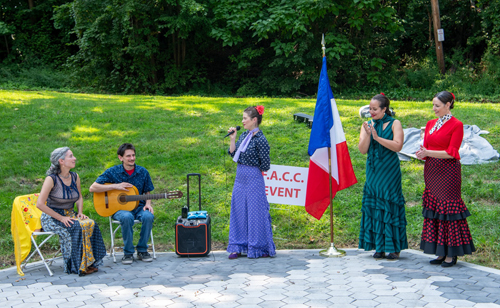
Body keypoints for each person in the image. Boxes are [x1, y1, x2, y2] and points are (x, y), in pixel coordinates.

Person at [416, 91, 475, 267]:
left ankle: (452, 254)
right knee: (435, 210)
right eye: (433, 105)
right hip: (431, 170)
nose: (434, 109)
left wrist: (428, 153)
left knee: (448, 210)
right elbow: (427, 147)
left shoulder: (457, 125)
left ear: (448, 105)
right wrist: (422, 154)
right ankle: (440, 252)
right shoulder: (430, 124)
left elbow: (452, 152)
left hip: (448, 172)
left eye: (437, 106)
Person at [37, 147, 106, 276]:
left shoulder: (75, 176)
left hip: (70, 214)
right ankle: (75, 266)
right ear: (61, 161)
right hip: (52, 217)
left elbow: (79, 196)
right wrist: (61, 218)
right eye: (71, 156)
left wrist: (79, 212)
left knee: (90, 223)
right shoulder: (51, 179)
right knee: (76, 227)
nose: (74, 158)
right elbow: (40, 204)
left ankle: (89, 263)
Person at [358, 94, 408, 260]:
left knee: (389, 204)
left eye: (375, 109)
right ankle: (378, 246)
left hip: (389, 170)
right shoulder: (367, 124)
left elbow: (397, 146)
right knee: (375, 206)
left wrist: (377, 138)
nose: (371, 112)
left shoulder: (395, 123)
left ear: (384, 109)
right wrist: (367, 134)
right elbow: (362, 150)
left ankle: (394, 247)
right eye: (370, 109)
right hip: (373, 170)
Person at [89, 143, 155, 265]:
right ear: (121, 158)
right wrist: (117, 186)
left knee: (148, 216)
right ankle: (128, 252)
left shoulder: (143, 172)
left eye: (133, 155)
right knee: (126, 217)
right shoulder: (112, 172)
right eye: (128, 156)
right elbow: (93, 188)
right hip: (119, 209)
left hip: (139, 207)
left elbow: (147, 191)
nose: (132, 158)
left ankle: (142, 250)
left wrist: (148, 203)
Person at [226, 105, 276, 259]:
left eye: (245, 118)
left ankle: (257, 247)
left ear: (254, 120)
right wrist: (232, 139)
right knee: (238, 210)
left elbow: (265, 165)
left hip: (254, 178)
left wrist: (253, 167)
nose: (242, 121)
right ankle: (237, 246)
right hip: (240, 178)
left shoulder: (261, 140)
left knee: (255, 213)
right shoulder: (243, 136)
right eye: (242, 118)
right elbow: (233, 154)